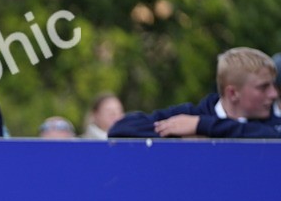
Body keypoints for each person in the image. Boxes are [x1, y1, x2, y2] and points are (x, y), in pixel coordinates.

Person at [109, 48, 281, 138]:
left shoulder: (273, 124)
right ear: (233, 93)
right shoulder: (189, 116)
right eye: (263, 87)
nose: (273, 94)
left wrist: (204, 127)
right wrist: (179, 137)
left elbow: (270, 137)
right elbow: (122, 129)